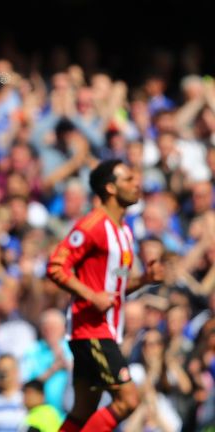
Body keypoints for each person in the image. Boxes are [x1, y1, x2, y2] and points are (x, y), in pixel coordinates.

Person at [46, 159, 164, 432]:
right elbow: (55, 266)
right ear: (110, 188)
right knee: (128, 400)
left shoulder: (124, 230)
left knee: (84, 409)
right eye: (128, 180)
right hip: (90, 329)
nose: (137, 184)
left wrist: (144, 280)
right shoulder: (93, 224)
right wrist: (91, 296)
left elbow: (114, 289)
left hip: (106, 329)